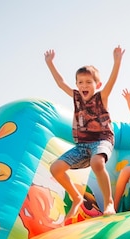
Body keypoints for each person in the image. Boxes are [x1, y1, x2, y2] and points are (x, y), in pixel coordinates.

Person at [44, 45, 125, 221]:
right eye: (80, 82)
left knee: (97, 162)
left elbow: (112, 83)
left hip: (102, 139)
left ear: (97, 85)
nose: (84, 85)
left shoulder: (101, 97)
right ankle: (76, 197)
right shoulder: (76, 97)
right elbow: (60, 83)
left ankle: (109, 202)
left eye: (89, 82)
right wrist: (50, 64)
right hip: (82, 145)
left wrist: (117, 61)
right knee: (56, 168)